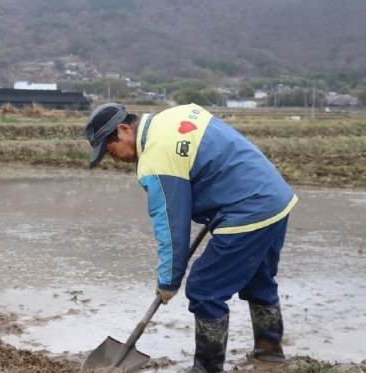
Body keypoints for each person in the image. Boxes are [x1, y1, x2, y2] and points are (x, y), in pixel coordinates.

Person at [84, 103, 297, 373]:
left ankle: (207, 369)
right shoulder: (177, 115)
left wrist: (168, 281)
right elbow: (215, 153)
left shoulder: (156, 159)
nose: (114, 158)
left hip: (247, 209)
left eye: (110, 149)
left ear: (124, 129)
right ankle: (270, 354)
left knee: (204, 289)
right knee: (258, 279)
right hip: (275, 197)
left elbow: (172, 228)